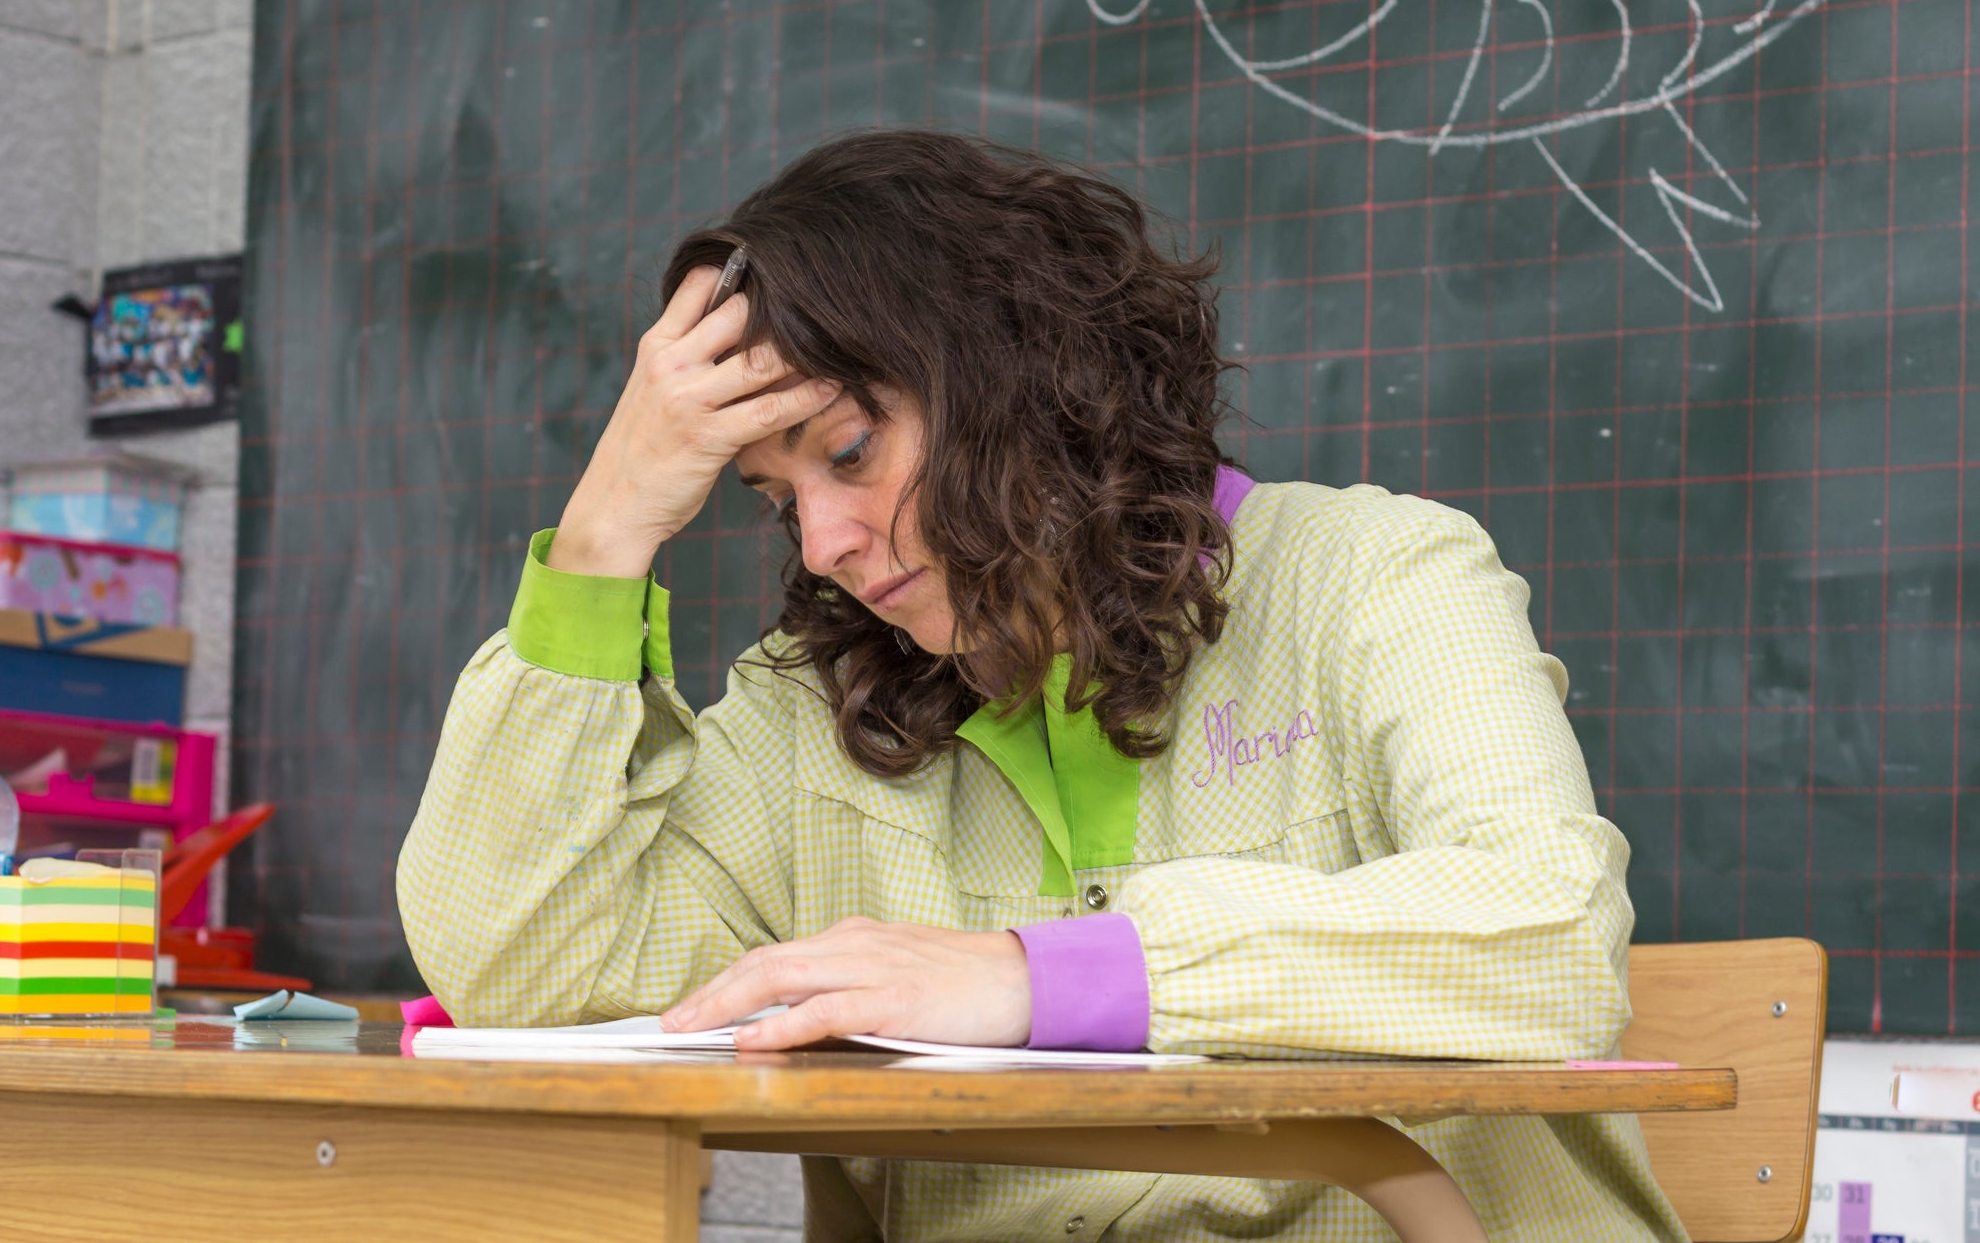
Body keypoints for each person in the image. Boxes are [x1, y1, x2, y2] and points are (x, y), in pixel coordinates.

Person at [397, 130, 1685, 1241]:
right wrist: (605, 531)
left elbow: (1550, 934)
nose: (825, 544)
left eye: (850, 451)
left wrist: (1038, 978)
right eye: (776, 499)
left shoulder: (1374, 575)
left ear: (1017, 374)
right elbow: (528, 967)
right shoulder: (815, 711)